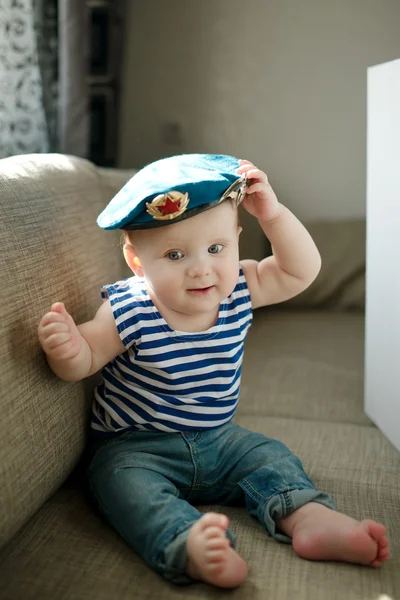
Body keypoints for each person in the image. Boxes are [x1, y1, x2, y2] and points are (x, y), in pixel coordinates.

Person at [37, 154, 389, 588]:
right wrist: (66, 348)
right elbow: (86, 359)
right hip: (136, 448)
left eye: (216, 248)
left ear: (237, 241)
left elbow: (301, 271)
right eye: (174, 254)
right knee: (121, 485)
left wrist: (272, 215)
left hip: (220, 440)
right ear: (136, 262)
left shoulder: (239, 289)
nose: (201, 267)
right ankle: (186, 543)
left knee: (269, 457)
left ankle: (307, 517)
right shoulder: (128, 308)